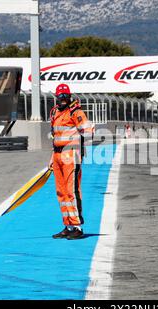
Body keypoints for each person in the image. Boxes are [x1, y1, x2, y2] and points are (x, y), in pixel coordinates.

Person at [49, 83, 93, 240]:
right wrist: (51, 157)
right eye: (59, 96)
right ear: (56, 97)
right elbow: (55, 136)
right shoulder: (54, 112)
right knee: (61, 193)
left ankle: (77, 227)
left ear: (69, 96)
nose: (62, 99)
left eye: (65, 96)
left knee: (72, 191)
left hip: (71, 156)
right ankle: (68, 225)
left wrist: (77, 139)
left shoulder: (76, 111)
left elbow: (88, 131)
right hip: (57, 156)